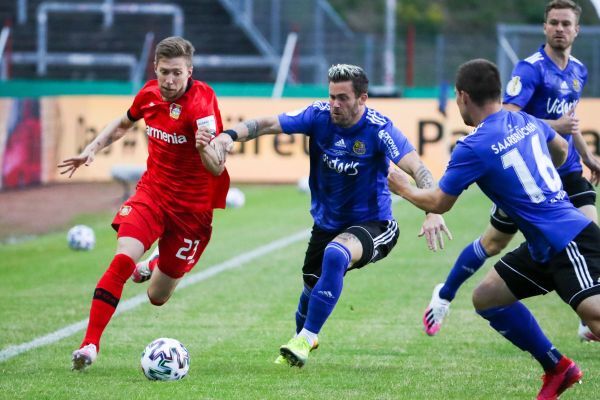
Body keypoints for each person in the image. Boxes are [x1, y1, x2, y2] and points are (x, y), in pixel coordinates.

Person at [205, 64, 452, 367]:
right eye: (332, 96)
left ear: (362, 98)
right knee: (310, 289)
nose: (335, 104)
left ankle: (307, 337)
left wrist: (432, 210)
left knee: (336, 254)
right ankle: (301, 340)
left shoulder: (379, 129)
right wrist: (228, 136)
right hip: (326, 223)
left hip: (375, 223)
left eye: (343, 98)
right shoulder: (318, 115)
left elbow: (418, 168)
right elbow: (268, 123)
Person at [388, 58, 600, 400]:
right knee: (487, 298)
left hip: (568, 239)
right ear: (498, 93)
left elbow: (439, 202)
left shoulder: (472, 147)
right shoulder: (526, 120)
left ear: (462, 96)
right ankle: (558, 368)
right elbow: (561, 150)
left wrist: (403, 188)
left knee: (595, 319)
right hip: (542, 245)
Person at [422, 0, 600, 340]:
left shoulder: (578, 70)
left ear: (577, 30)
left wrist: (588, 156)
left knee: (587, 231)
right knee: (492, 243)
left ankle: (587, 307)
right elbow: (507, 116)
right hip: (522, 175)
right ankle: (444, 294)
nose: (559, 29)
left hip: (564, 170)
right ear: (545, 27)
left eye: (566, 23)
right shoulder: (530, 69)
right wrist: (555, 126)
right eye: (554, 22)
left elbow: (571, 122)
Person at [58, 36, 230, 371]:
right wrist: (92, 147)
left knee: (157, 297)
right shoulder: (149, 94)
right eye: (164, 72)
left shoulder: (202, 104)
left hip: (192, 211)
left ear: (190, 71)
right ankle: (89, 344)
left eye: (177, 73)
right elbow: (124, 123)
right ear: (155, 68)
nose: (170, 80)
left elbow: (217, 168)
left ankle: (155, 264)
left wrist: (203, 147)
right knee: (122, 260)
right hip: (153, 194)